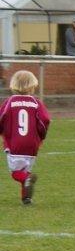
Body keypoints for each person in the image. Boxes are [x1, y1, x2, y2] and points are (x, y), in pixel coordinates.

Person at [0, 70, 50, 204]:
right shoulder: (36, 102)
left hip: (15, 143)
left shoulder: (10, 102)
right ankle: (26, 198)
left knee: (16, 172)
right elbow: (45, 120)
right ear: (33, 85)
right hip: (32, 144)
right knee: (25, 169)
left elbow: (1, 118)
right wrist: (41, 136)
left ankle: (26, 179)